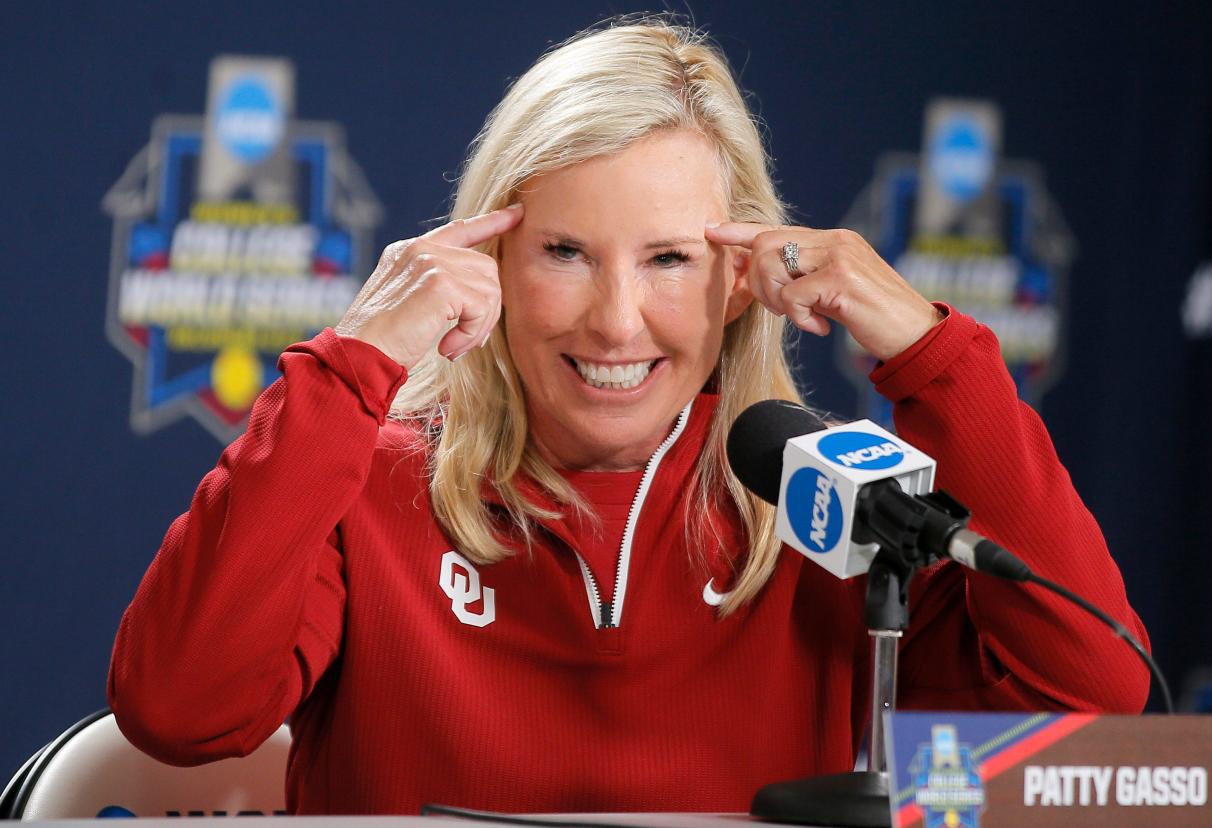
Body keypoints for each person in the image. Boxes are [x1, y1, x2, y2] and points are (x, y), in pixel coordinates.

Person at [108, 19, 1149, 816]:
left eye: (667, 259)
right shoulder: (367, 486)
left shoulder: (838, 510)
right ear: (490, 265)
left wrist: (935, 352)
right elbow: (181, 712)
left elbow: (1089, 712)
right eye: (565, 253)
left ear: (739, 278)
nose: (615, 322)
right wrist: (350, 370)